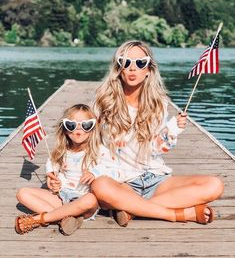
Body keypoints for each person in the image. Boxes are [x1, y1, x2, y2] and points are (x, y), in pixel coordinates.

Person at [90, 40, 224, 227]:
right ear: (118, 68)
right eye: (126, 62)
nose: (132, 68)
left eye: (140, 63)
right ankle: (176, 214)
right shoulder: (103, 102)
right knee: (100, 187)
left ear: (149, 70)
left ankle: (132, 210)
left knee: (214, 185)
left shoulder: (159, 103)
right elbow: (89, 143)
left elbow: (155, 148)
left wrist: (172, 130)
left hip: (155, 178)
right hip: (121, 182)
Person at [16, 104, 118, 235]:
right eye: (71, 125)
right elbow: (52, 163)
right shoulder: (62, 151)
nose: (78, 130)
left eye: (86, 125)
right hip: (62, 197)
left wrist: (95, 173)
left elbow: (115, 171)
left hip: (84, 200)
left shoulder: (100, 151)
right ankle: (66, 218)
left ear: (93, 128)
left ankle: (39, 219)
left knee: (90, 199)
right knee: (22, 193)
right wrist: (51, 176)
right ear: (65, 129)